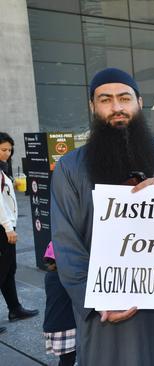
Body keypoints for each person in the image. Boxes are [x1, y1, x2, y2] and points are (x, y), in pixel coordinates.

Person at [51, 68, 154, 366]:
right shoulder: (70, 167)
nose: (116, 107)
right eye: (106, 99)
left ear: (139, 103)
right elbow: (67, 246)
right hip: (108, 316)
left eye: (124, 98)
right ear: (92, 106)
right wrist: (99, 303)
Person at [0, 132, 39, 336]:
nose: (7, 153)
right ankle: (15, 308)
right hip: (2, 228)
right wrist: (8, 227)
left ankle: (14, 308)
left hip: (7, 226)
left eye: (9, 149)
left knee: (9, 270)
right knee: (2, 271)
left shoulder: (2, 170)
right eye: (3, 149)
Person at [42, 242, 76, 366]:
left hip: (54, 324)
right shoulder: (66, 278)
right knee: (68, 360)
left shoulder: (50, 276)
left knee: (67, 359)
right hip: (64, 327)